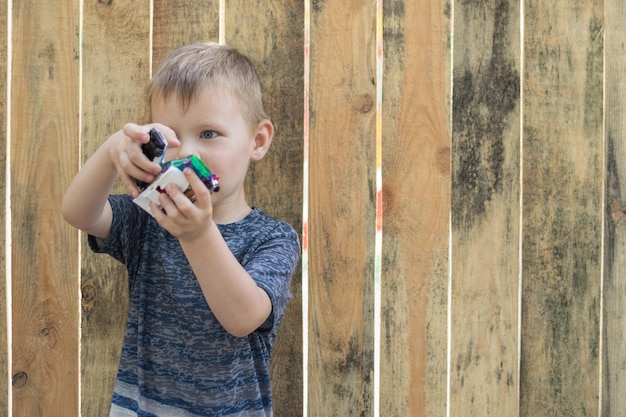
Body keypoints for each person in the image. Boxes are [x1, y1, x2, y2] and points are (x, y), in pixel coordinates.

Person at [62, 42, 300, 416]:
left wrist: (197, 235)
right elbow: (78, 213)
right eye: (170, 136)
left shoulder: (273, 238)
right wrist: (112, 151)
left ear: (257, 141)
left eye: (208, 134)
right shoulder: (150, 219)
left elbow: (242, 319)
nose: (185, 153)